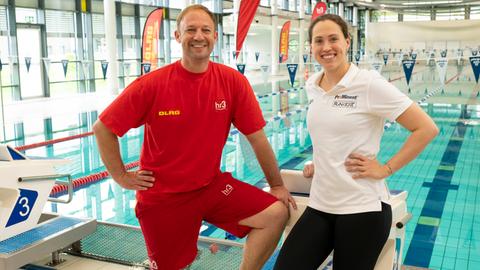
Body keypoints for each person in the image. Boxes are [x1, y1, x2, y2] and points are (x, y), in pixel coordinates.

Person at [93, 4, 296, 270]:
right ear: (178, 36)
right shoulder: (153, 84)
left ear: (214, 36)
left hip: (210, 188)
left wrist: (277, 185)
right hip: (164, 198)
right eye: (190, 30)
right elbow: (103, 128)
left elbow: (256, 137)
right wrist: (120, 175)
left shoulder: (232, 82)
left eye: (205, 30)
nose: (198, 36)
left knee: (275, 214)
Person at [273, 14, 438, 270]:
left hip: (363, 209)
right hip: (321, 205)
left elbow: (426, 128)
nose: (326, 47)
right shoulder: (312, 85)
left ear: (347, 42)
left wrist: (386, 168)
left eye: (333, 39)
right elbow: (331, 135)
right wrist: (322, 163)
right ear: (311, 47)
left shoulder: (368, 83)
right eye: (319, 41)